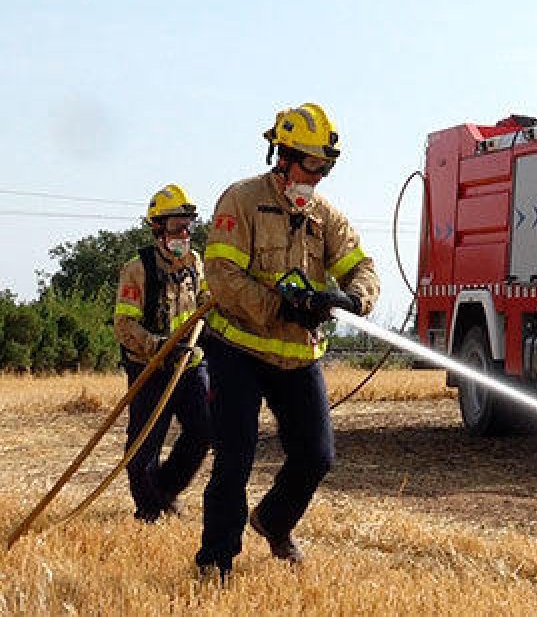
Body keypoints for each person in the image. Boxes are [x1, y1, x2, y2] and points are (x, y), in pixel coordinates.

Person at [195, 103, 380, 579]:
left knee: (316, 456)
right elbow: (222, 274)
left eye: (326, 168)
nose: (316, 177)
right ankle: (216, 562)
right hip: (239, 349)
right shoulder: (241, 201)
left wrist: (351, 297)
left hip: (298, 357)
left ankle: (273, 523)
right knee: (234, 460)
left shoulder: (326, 217)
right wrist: (279, 305)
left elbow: (362, 266)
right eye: (310, 165)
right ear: (282, 156)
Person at [113, 184, 211, 523]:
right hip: (150, 366)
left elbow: (204, 302)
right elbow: (124, 324)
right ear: (157, 227)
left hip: (190, 365)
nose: (183, 232)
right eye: (175, 226)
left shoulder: (196, 261)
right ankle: (149, 508)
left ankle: (166, 489)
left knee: (204, 430)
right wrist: (158, 346)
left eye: (188, 225)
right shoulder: (136, 269)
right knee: (145, 441)